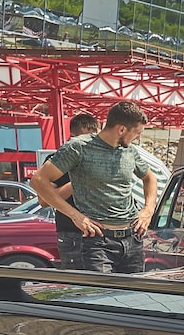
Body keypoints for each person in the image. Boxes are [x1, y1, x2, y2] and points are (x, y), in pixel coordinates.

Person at [32, 101, 156, 274]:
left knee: (133, 298)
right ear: (121, 129)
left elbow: (150, 178)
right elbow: (38, 180)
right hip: (98, 242)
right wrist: (75, 215)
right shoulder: (78, 147)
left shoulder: (131, 151)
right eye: (136, 133)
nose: (137, 137)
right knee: (99, 297)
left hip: (132, 239)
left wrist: (148, 210)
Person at [44, 111, 101, 269]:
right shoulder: (56, 161)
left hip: (101, 232)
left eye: (93, 139)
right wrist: (77, 181)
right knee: (77, 287)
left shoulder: (100, 159)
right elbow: (44, 200)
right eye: (84, 139)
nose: (88, 144)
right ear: (72, 137)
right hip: (72, 232)